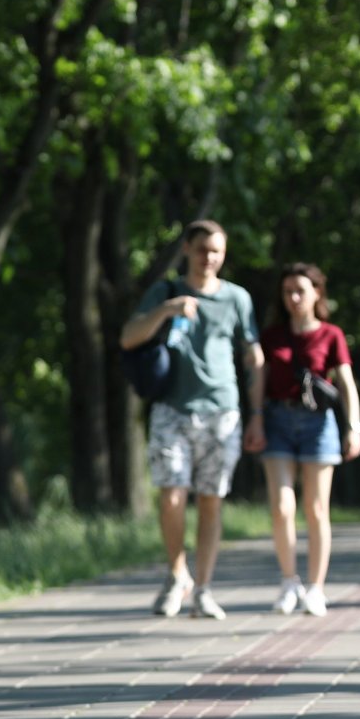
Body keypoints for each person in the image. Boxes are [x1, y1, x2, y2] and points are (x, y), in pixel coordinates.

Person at [118, 220, 263, 620]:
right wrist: (167, 310)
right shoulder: (166, 290)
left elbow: (253, 355)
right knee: (171, 494)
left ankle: (204, 587)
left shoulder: (237, 298)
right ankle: (176, 573)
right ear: (187, 249)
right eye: (202, 250)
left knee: (211, 501)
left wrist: (257, 415)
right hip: (172, 409)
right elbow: (128, 337)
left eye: (217, 251)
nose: (210, 258)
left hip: (223, 411)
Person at [258, 263, 360, 617]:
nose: (295, 298)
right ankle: (289, 582)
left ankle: (316, 588)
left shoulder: (331, 334)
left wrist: (354, 427)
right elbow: (260, 378)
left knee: (316, 510)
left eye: (301, 290)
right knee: (281, 507)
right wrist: (255, 419)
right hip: (277, 419)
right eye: (288, 291)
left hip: (319, 424)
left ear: (317, 293)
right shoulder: (271, 336)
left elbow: (345, 383)